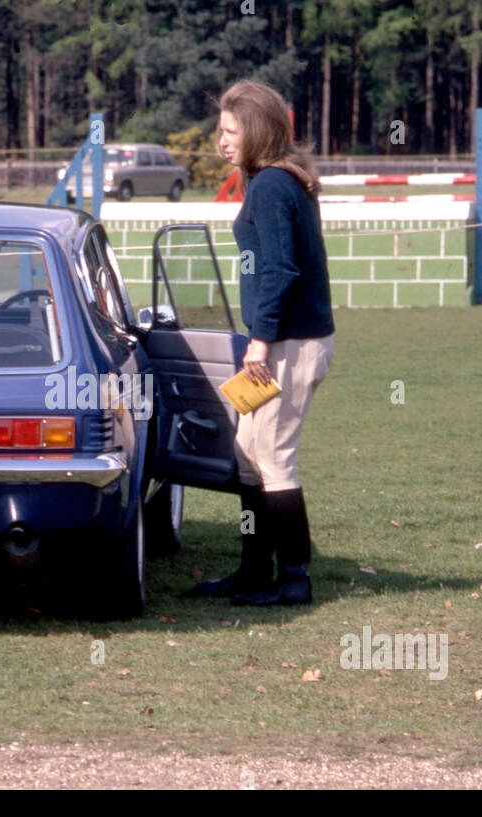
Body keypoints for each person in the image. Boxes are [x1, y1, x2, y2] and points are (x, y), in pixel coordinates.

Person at [191, 80, 335, 607]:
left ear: (256, 130)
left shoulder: (274, 185)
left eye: (232, 130)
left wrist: (260, 341)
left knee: (272, 458)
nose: (222, 140)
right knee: (247, 455)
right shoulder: (268, 180)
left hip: (288, 345)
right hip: (281, 341)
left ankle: (294, 578)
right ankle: (253, 571)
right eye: (220, 129)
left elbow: (279, 269)